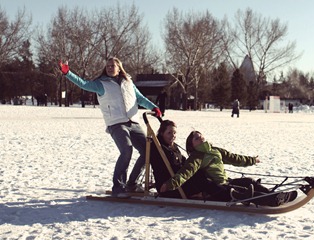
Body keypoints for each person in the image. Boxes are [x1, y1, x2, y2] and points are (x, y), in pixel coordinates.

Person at [59, 57, 162, 197]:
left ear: (119, 68)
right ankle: (118, 188)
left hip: (134, 122)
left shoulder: (128, 82)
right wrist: (67, 72)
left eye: (113, 65)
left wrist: (154, 107)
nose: (109, 68)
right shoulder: (101, 84)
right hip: (116, 123)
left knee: (148, 152)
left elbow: (140, 98)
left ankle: (132, 184)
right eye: (108, 66)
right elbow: (83, 84)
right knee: (126, 150)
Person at [160, 130, 297, 207]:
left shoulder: (215, 150)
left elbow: (233, 158)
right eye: (196, 138)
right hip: (217, 187)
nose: (200, 137)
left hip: (227, 181)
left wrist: (252, 160)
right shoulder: (197, 156)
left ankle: (275, 195)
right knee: (243, 191)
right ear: (192, 145)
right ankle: (273, 200)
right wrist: (170, 184)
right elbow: (186, 173)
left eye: (200, 135)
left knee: (248, 181)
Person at [150, 120, 253, 201]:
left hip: (178, 181)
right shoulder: (158, 148)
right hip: (170, 187)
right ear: (162, 133)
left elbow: (184, 163)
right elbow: (167, 169)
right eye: (169, 133)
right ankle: (230, 195)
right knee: (201, 180)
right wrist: (168, 184)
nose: (173, 136)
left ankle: (235, 192)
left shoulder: (172, 146)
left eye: (174, 133)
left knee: (202, 175)